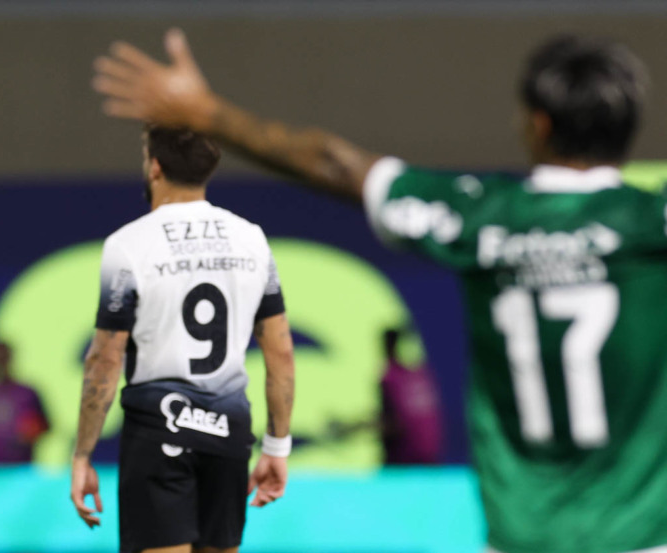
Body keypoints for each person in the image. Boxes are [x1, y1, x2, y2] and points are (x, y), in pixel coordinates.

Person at [92, 30, 661, 553]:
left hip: (521, 536)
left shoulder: (479, 218)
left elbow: (335, 164)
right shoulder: (651, 224)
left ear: (537, 123)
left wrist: (207, 113)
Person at [70, 126, 296, 553]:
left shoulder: (128, 244)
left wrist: (83, 454)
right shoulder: (252, 239)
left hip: (158, 430)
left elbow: (104, 358)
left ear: (155, 166)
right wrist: (277, 447)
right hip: (229, 430)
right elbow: (281, 352)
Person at [379, 326, 442, 465]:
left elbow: (394, 425)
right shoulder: (422, 375)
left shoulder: (390, 378)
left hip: (405, 461)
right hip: (431, 460)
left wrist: (350, 431)